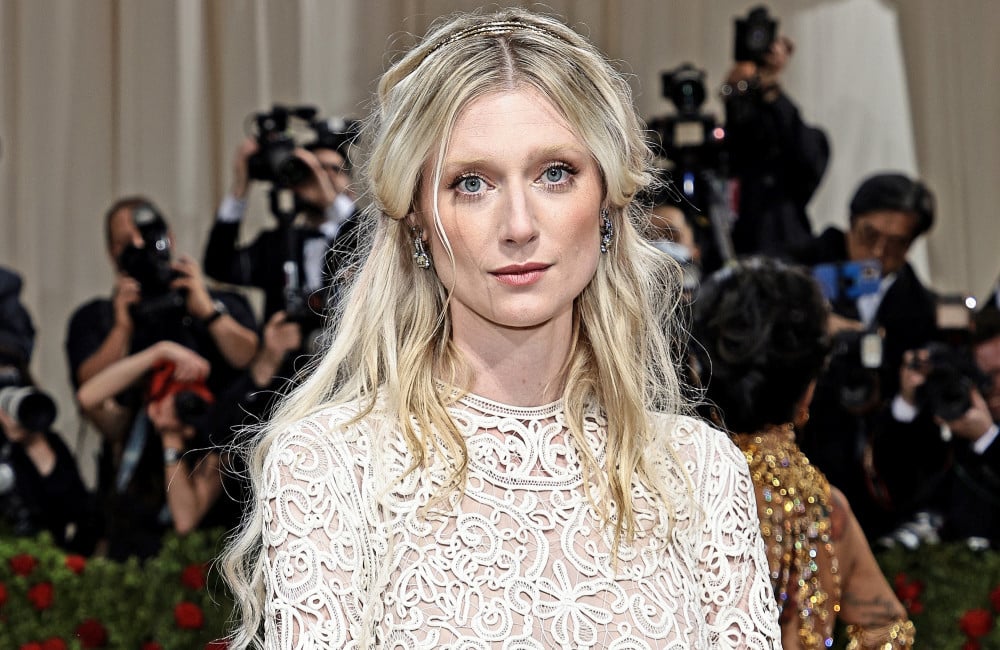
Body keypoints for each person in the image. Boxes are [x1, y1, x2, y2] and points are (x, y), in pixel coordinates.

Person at [221, 8, 781, 649]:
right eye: (472, 183)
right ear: (418, 225)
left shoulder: (702, 473)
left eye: (553, 174)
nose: (518, 224)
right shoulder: (333, 469)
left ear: (605, 201)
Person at [691, 257, 915, 649]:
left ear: (698, 369)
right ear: (808, 388)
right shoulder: (824, 509)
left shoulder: (670, 488)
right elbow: (888, 632)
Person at [66, 197, 258, 523]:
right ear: (113, 252)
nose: (141, 246)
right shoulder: (98, 317)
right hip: (136, 477)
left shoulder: (211, 300)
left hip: (209, 463)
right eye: (128, 242)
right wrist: (127, 330)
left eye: (149, 234)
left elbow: (246, 355)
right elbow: (88, 389)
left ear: (168, 236)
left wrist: (206, 310)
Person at [789, 172, 938, 538]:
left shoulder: (919, 307)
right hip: (805, 441)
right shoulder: (800, 269)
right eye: (870, 236)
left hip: (873, 460)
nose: (877, 252)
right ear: (851, 223)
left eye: (897, 243)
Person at [76, 340, 225, 559]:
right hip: (119, 560)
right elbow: (87, 397)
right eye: (174, 396)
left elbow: (185, 521)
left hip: (168, 571)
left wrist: (171, 439)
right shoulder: (132, 426)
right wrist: (159, 352)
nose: (182, 406)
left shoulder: (214, 451)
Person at [203, 122, 361, 327]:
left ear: (352, 189)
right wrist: (240, 188)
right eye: (316, 169)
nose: (323, 177)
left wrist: (331, 202)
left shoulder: (365, 238)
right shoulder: (278, 243)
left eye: (335, 170)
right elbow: (219, 266)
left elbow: (363, 230)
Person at [721, 23, 830, 258]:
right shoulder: (734, 144)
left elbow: (803, 159)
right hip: (736, 246)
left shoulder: (811, 141)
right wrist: (734, 92)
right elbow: (735, 146)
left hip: (786, 249)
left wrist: (770, 87)